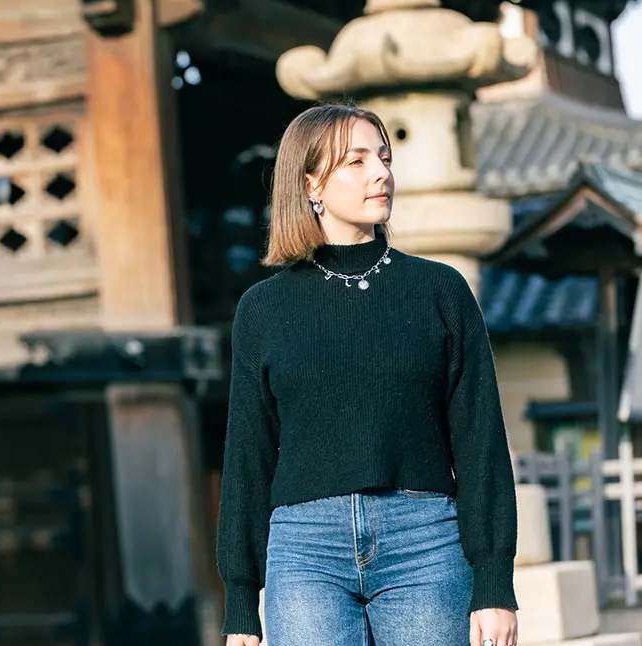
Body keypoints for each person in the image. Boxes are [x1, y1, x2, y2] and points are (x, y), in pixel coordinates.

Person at [216, 103, 519, 646]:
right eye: (356, 161)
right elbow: (247, 455)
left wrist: (494, 581)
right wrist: (241, 601)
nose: (380, 172)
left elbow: (480, 442)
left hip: (425, 543)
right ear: (311, 184)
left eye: (383, 157)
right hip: (305, 550)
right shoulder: (262, 310)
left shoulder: (440, 291)